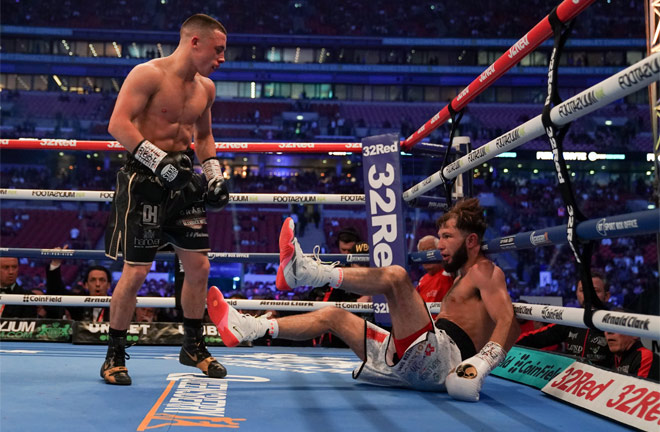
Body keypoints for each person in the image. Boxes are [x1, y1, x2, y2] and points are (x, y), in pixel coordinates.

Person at [209, 198, 520, 401]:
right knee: (332, 315)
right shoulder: (463, 276)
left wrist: (479, 365)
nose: (439, 246)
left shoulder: (484, 271)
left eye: (447, 237)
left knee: (397, 277)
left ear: (472, 240)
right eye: (440, 237)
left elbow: (509, 320)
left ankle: (306, 272)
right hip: (420, 360)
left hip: (442, 361)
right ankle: (249, 329)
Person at [102, 13, 230, 385]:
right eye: (217, 50)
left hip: (183, 183)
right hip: (144, 183)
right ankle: (114, 356)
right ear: (195, 42)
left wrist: (214, 176)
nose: (221, 59)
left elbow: (203, 137)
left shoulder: (205, 88)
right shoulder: (148, 74)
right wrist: (158, 164)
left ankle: (193, 345)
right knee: (137, 271)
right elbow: (118, 124)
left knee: (200, 267)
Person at [516, 270, 613, 367]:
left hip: (605, 380)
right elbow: (535, 338)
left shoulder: (615, 324)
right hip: (573, 378)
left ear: (607, 296)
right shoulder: (571, 319)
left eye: (595, 291)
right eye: (583, 290)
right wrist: (505, 344)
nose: (588, 295)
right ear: (577, 294)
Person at [605, 309, 660, 382]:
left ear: (634, 333)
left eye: (615, 326)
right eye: (605, 327)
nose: (609, 332)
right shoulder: (612, 358)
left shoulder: (645, 356)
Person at [415, 235, 453, 304]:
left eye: (430, 250)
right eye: (422, 252)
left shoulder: (450, 274)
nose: (426, 256)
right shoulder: (422, 281)